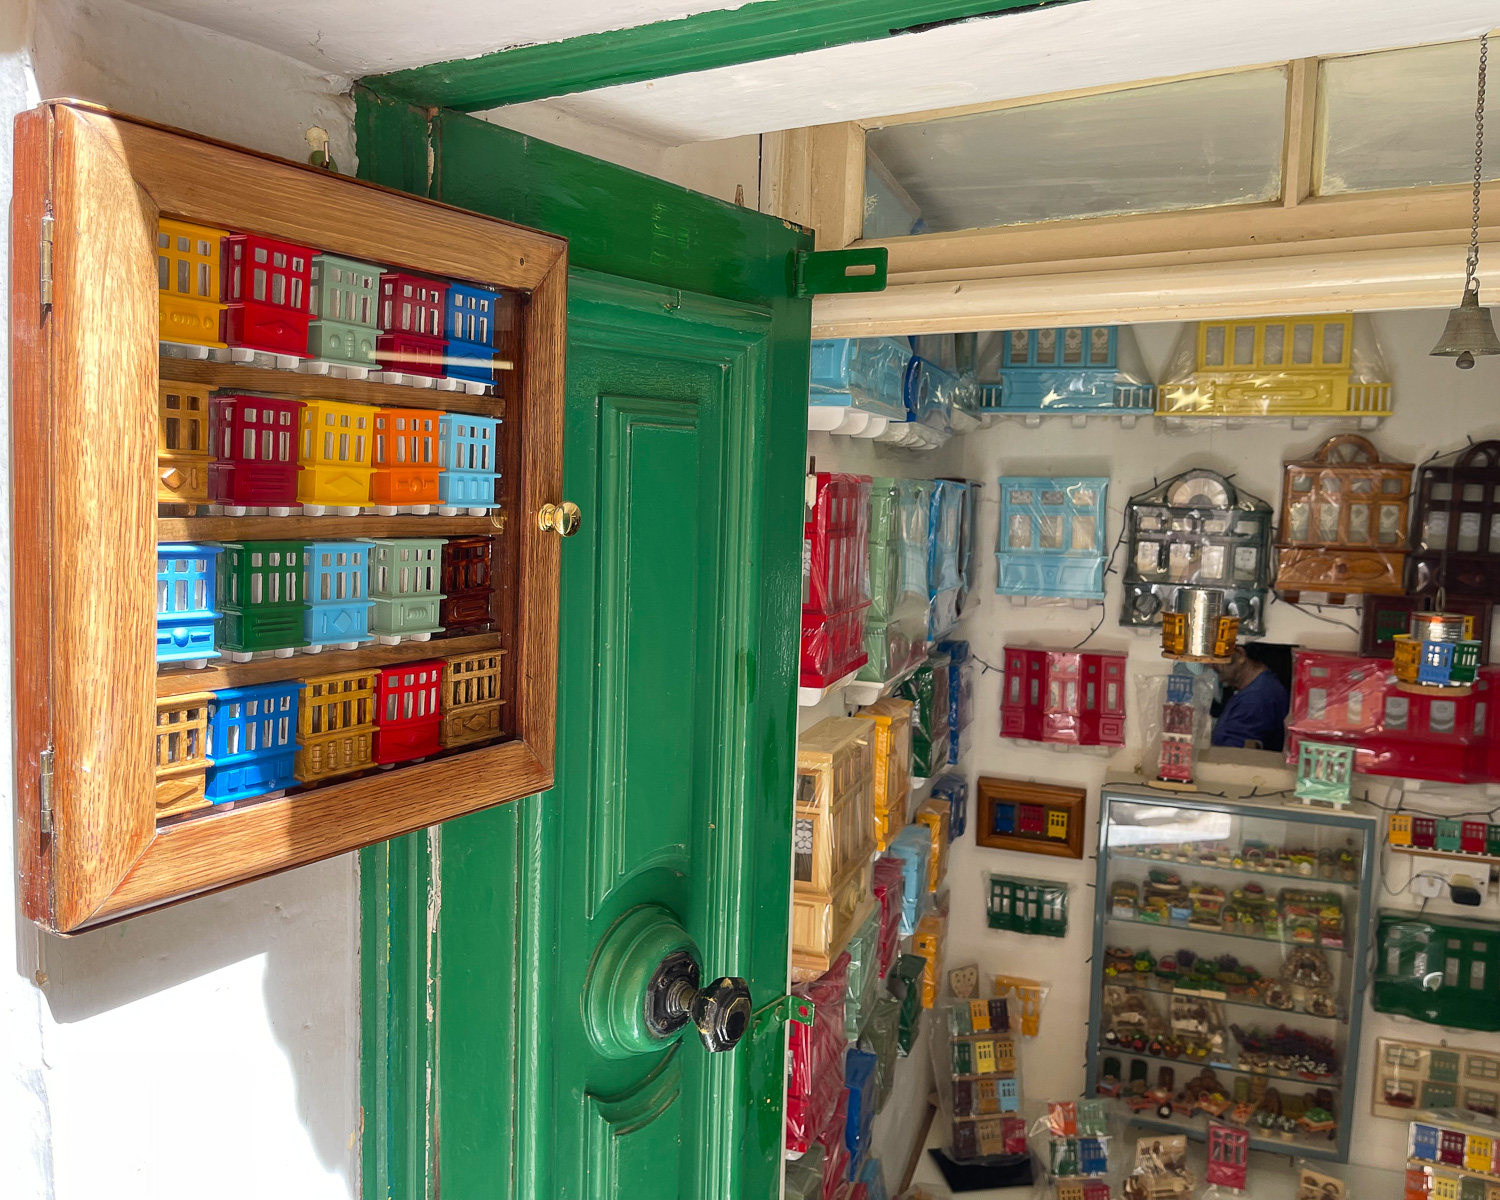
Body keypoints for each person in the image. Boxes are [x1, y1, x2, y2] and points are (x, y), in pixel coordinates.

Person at [1211, 644, 1290, 751]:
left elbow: (1233, 755)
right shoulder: (1256, 686)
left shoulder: (1256, 698)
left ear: (1240, 654)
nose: (1211, 664)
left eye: (1216, 656)